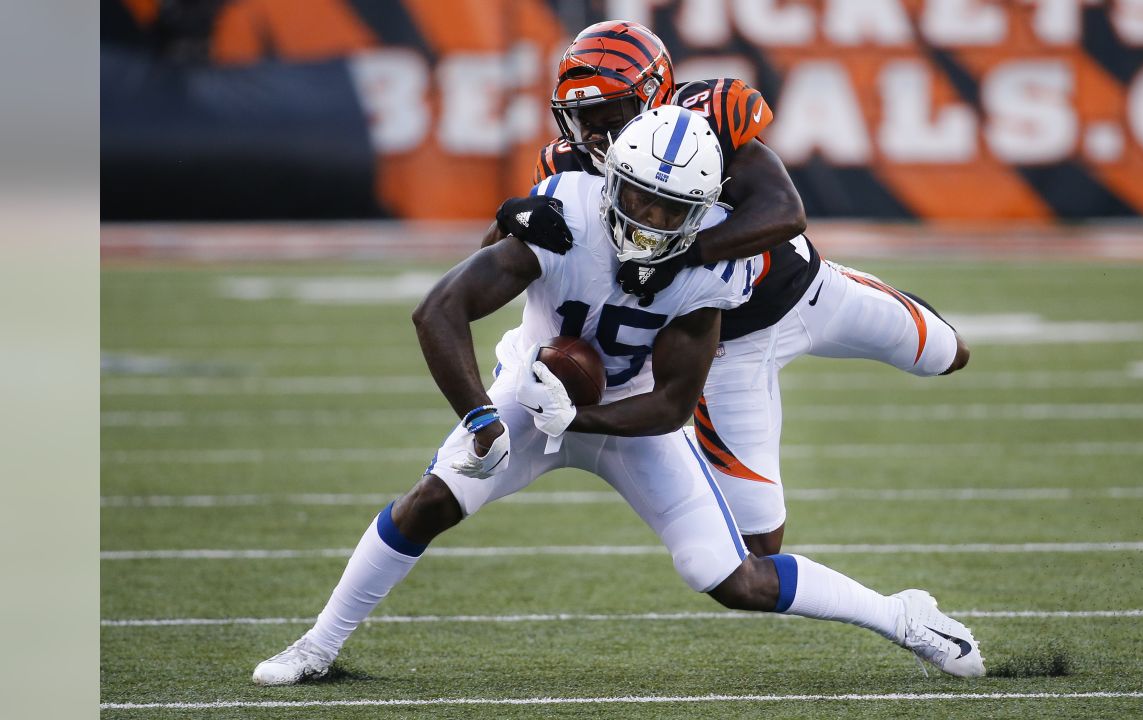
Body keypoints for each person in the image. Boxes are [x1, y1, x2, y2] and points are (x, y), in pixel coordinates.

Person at [252, 106, 984, 686]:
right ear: (610, 179)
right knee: (432, 499)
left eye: (671, 210)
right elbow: (438, 309)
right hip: (530, 387)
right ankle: (318, 645)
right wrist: (481, 417)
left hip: (632, 418)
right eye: (637, 198)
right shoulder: (562, 214)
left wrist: (583, 418)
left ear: (702, 213)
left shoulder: (711, 270)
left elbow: (672, 404)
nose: (649, 220)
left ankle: (902, 617)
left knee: (732, 577)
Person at [494, 21, 970, 558]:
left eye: (611, 115)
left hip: (805, 290)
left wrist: (679, 257)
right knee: (760, 548)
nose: (598, 134)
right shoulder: (567, 165)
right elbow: (500, 260)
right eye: (584, 119)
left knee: (948, 354)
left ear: (655, 96)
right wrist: (512, 216)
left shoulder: (709, 120)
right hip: (724, 345)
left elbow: (786, 212)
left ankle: (883, 297)